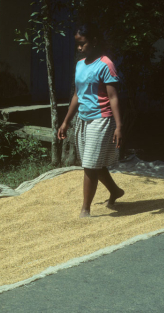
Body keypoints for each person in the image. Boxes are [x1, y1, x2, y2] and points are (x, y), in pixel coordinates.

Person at [57, 23, 124, 218]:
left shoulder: (106, 64)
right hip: (83, 119)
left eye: (82, 44)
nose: (79, 48)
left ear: (94, 42)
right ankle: (115, 191)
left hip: (101, 119)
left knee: (90, 165)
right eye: (77, 44)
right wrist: (66, 121)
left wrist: (119, 126)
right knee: (93, 161)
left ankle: (85, 210)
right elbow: (77, 95)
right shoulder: (80, 65)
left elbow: (113, 97)